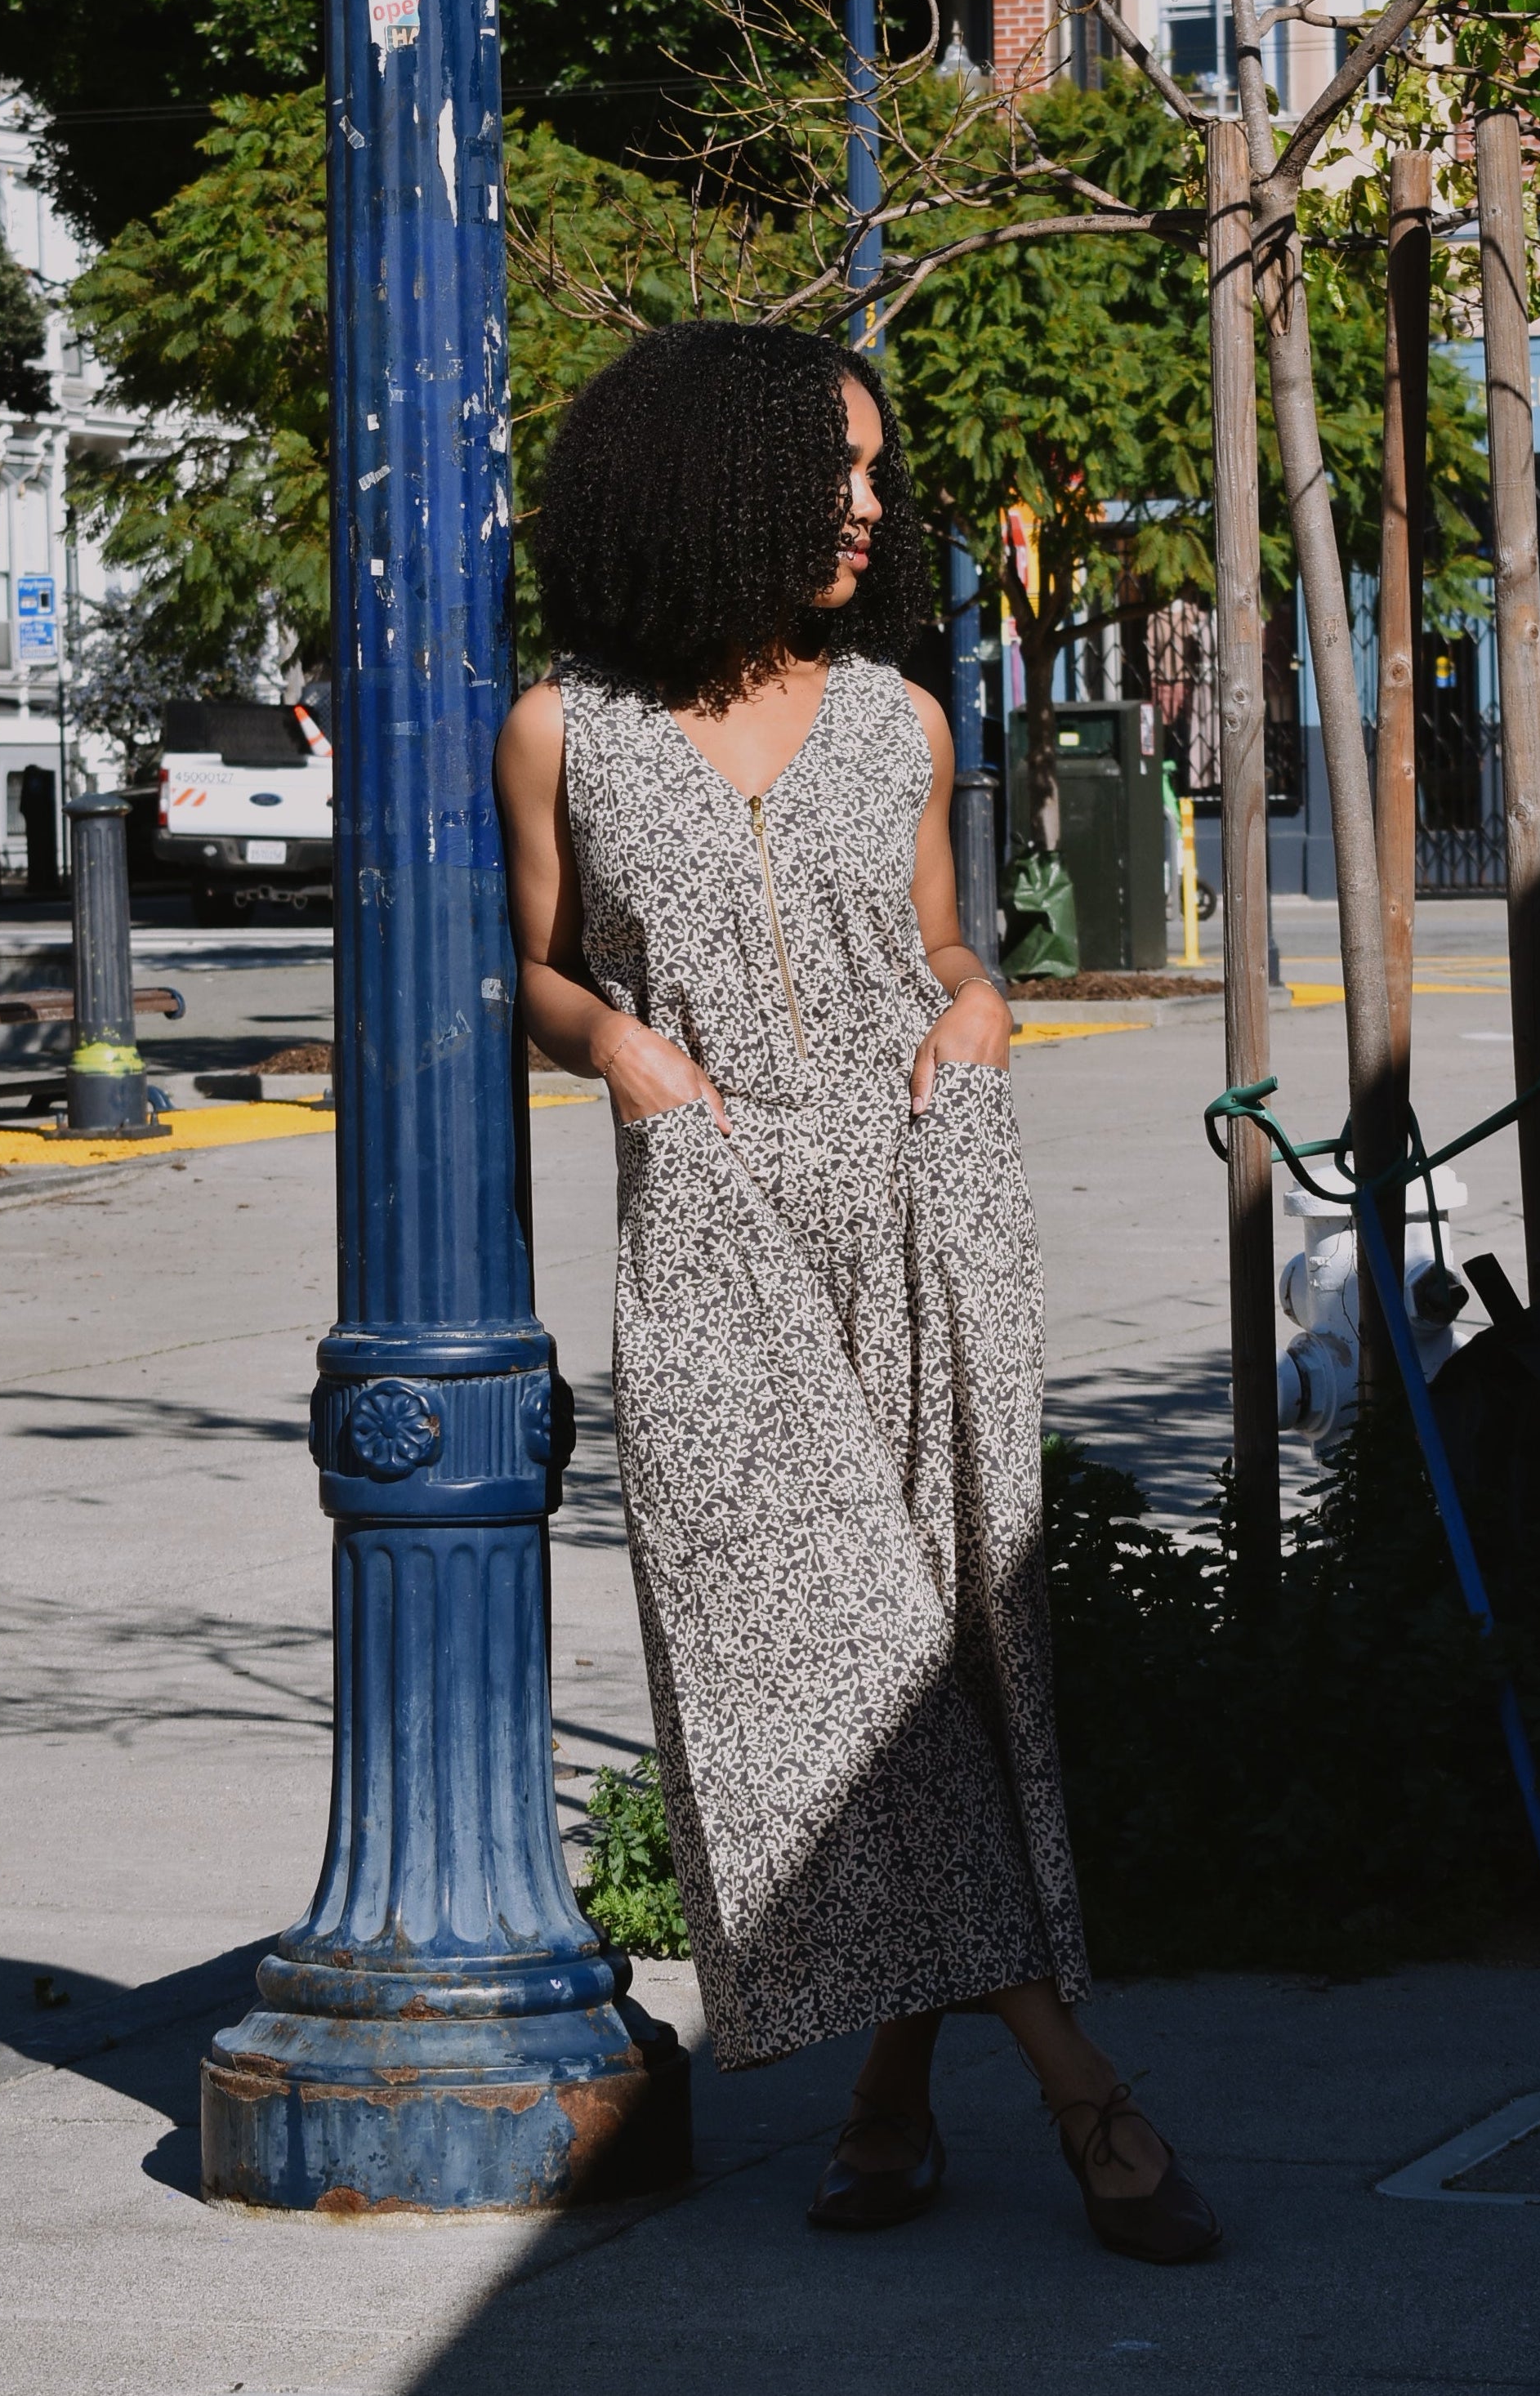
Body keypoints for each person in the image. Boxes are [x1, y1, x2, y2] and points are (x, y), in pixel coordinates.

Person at [496, 323, 1220, 2261]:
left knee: (936, 1662)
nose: (870, 506)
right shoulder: (564, 729)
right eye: (840, 469)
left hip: (917, 1204)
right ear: (715, 477)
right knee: (829, 1657)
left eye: (876, 474)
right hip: (713, 1229)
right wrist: (613, 1045)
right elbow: (542, 967)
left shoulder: (901, 718)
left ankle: (891, 2103)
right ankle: (1084, 2095)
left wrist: (980, 1007)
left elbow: (943, 944)